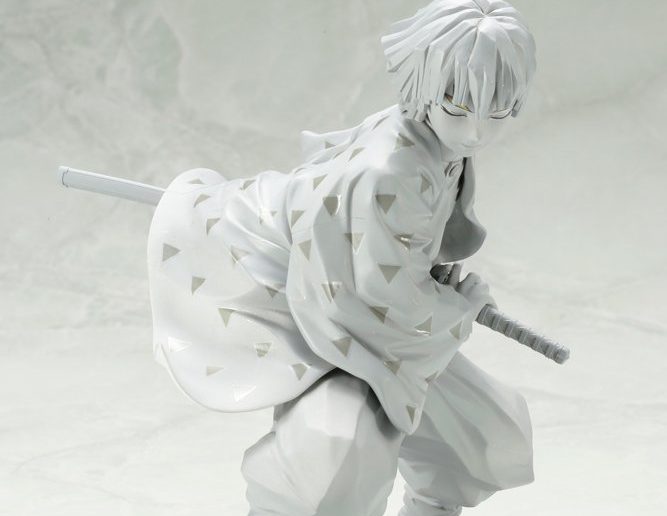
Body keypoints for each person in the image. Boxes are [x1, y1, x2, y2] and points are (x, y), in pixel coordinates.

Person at [146, 1, 537, 514]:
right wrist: (459, 308)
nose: (476, 132)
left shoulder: (441, 150)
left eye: (498, 111)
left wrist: (425, 276)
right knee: (339, 455)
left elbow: (388, 266)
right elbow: (371, 301)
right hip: (285, 290)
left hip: (356, 306)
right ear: (422, 82)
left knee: (487, 432)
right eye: (457, 106)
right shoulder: (387, 173)